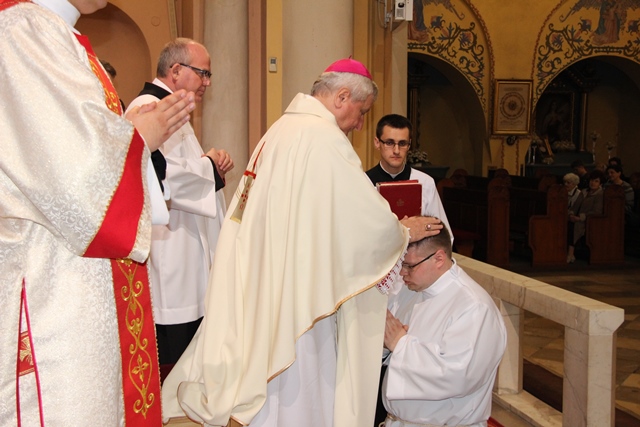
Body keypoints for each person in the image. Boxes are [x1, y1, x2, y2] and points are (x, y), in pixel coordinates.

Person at [161, 58, 443, 427]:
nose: (360, 124)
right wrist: (403, 231)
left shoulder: (281, 129)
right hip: (299, 290)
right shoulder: (322, 138)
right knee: (298, 382)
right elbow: (362, 217)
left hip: (267, 273)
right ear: (342, 97)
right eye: (362, 112)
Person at [0, 0, 196, 425]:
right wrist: (138, 137)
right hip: (50, 289)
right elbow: (69, 173)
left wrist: (131, 139)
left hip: (78, 283)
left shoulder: (56, 32)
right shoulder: (23, 30)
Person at [127, 38, 234, 366]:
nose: (207, 82)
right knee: (173, 363)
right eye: (203, 73)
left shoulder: (172, 108)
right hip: (169, 258)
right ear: (175, 70)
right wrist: (210, 167)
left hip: (187, 256)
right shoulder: (147, 109)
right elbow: (159, 176)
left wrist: (206, 163)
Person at [381, 224, 506, 427]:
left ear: (439, 258)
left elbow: (458, 376)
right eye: (400, 264)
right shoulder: (410, 291)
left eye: (410, 266)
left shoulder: (474, 307)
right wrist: (386, 345)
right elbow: (391, 350)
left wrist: (400, 343)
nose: (402, 273)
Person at [366, 114, 451, 235]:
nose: (396, 150)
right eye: (389, 143)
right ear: (377, 143)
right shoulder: (363, 183)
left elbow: (442, 233)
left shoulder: (425, 182)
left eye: (402, 143)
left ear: (409, 144)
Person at [567, 169, 605, 263]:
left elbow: (596, 211)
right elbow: (575, 206)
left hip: (589, 220)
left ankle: (570, 254)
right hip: (577, 217)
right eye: (592, 180)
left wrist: (580, 217)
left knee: (574, 226)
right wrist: (571, 214)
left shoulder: (600, 194)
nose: (593, 183)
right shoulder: (584, 192)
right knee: (567, 222)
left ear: (600, 183)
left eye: (596, 181)